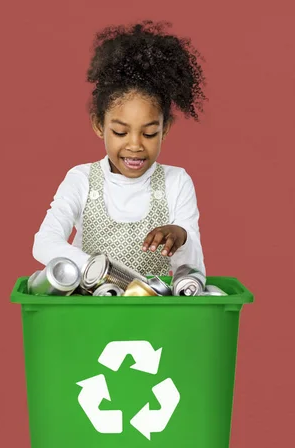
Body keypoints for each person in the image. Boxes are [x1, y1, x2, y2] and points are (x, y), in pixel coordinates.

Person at [32, 21, 207, 277]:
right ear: (99, 125)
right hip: (90, 312)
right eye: (120, 132)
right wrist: (104, 271)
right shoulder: (82, 180)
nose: (135, 145)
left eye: (149, 133)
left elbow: (192, 273)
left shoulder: (176, 182)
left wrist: (182, 238)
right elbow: (44, 243)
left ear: (165, 129)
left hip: (155, 315)